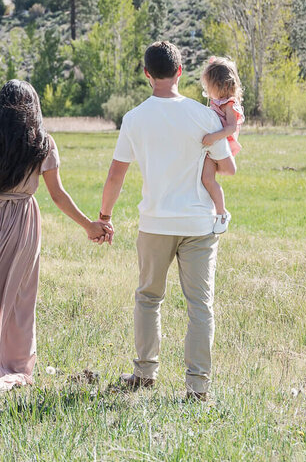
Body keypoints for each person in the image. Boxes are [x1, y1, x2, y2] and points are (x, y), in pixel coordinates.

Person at [0, 81, 112, 396]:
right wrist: (88, 225)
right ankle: (5, 362)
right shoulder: (43, 143)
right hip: (21, 222)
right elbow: (58, 195)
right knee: (14, 297)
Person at [98, 41, 236, 401]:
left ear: (147, 74)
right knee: (200, 305)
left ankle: (144, 373)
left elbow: (115, 176)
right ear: (179, 72)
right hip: (198, 225)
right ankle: (198, 386)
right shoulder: (204, 116)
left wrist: (105, 216)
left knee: (148, 298)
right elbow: (224, 165)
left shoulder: (134, 118)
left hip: (154, 224)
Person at [199, 56, 244, 234]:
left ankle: (221, 212)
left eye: (208, 85)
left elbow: (232, 128)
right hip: (213, 145)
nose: (206, 90)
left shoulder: (230, 104)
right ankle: (215, 211)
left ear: (219, 84)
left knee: (210, 178)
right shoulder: (217, 102)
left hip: (222, 143)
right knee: (206, 179)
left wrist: (213, 136)